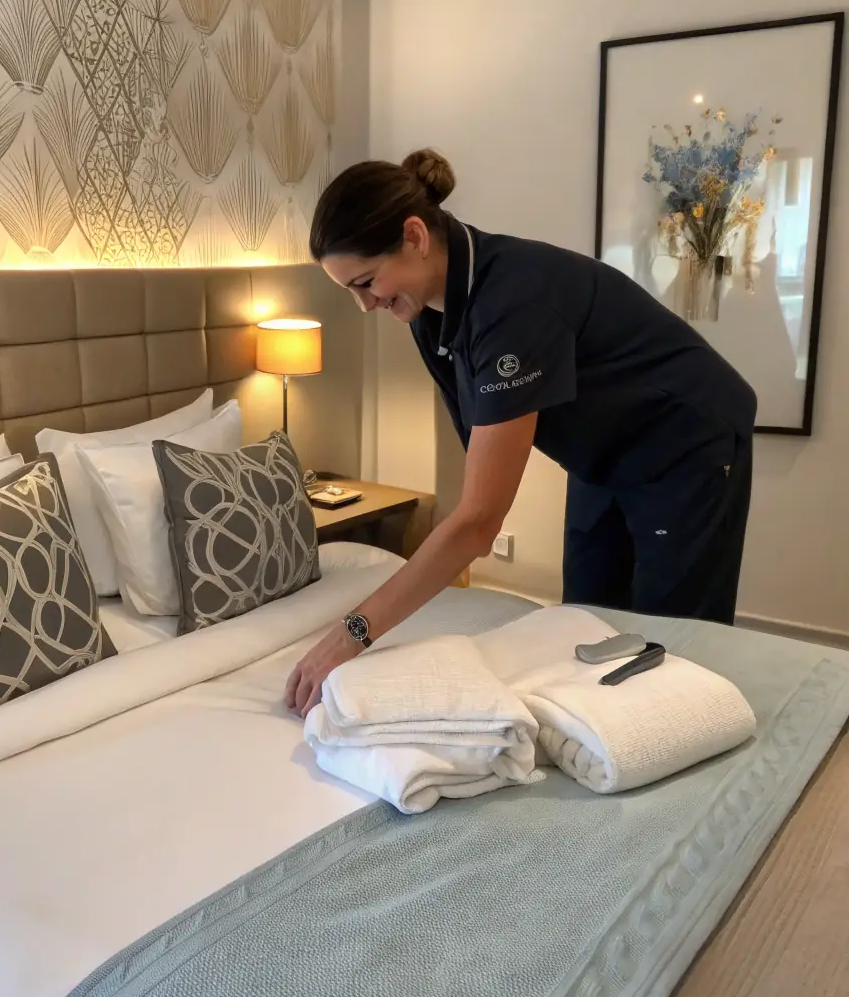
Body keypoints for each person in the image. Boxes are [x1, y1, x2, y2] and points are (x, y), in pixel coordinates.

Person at [285, 148, 756, 717]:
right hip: (602, 453)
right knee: (590, 622)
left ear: (414, 236)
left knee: (671, 639)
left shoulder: (513, 300)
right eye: (350, 291)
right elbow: (480, 449)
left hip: (685, 440)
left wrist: (353, 632)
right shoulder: (427, 310)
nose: (365, 305)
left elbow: (479, 521)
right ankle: (608, 734)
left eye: (366, 282)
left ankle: (687, 734)